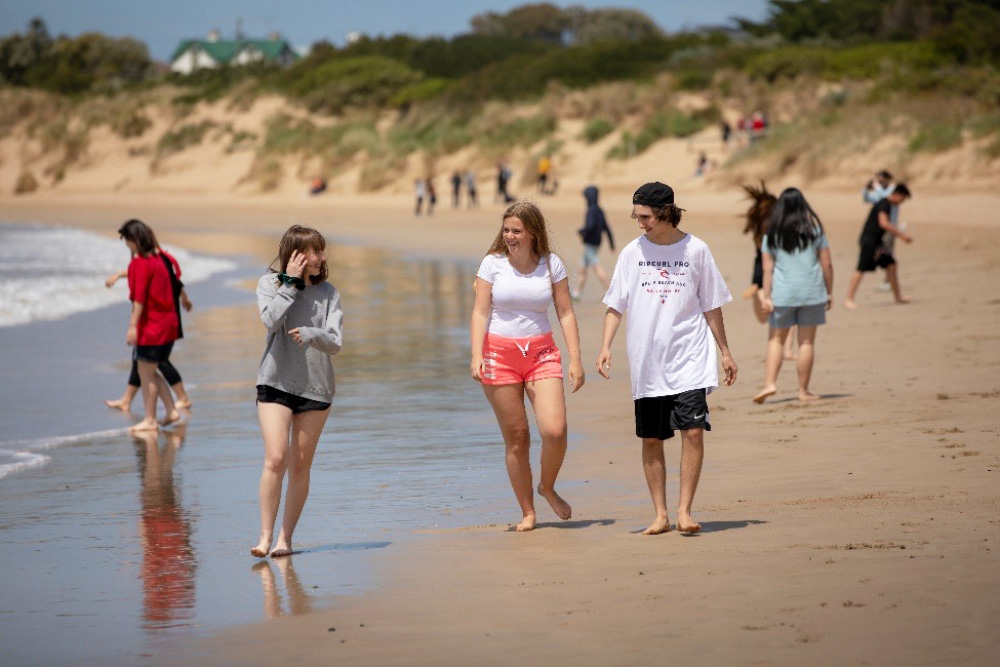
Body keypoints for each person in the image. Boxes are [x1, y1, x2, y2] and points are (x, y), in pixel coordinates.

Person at [597, 182, 737, 535]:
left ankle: (684, 511)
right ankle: (660, 514)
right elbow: (616, 305)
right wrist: (605, 347)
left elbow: (712, 305)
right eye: (636, 215)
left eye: (644, 216)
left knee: (692, 431)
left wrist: (725, 352)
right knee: (652, 438)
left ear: (664, 213)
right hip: (647, 360)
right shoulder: (632, 253)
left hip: (690, 356)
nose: (639, 222)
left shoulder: (697, 250)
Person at [470, 200, 584, 532]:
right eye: (506, 230)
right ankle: (528, 511)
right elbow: (480, 312)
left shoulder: (551, 265)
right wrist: (476, 354)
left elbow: (565, 312)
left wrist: (575, 358)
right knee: (517, 437)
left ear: (533, 232)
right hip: (499, 355)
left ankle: (547, 485)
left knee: (555, 431)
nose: (510, 236)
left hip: (541, 354)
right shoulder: (492, 264)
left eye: (516, 231)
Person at [251, 225, 343, 558]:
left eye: (321, 250)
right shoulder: (269, 284)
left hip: (316, 389)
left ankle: (284, 540)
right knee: (276, 458)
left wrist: (310, 332)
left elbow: (335, 343)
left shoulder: (329, 292)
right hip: (274, 381)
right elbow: (270, 322)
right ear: (295, 255)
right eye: (314, 251)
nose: (321, 257)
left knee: (300, 467)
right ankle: (264, 537)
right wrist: (289, 284)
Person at [752, 188, 834, 404]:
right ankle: (803, 391)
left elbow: (767, 269)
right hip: (812, 291)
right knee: (806, 342)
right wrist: (829, 291)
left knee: (776, 340)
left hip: (783, 293)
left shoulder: (772, 235)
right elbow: (827, 264)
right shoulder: (815, 230)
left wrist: (767, 297)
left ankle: (769, 383)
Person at [105, 246, 193, 412]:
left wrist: (117, 276)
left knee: (157, 362)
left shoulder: (156, 262)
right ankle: (126, 399)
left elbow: (164, 281)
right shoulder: (162, 261)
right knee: (140, 360)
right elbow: (177, 283)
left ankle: (182, 398)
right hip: (166, 321)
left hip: (161, 323)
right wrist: (185, 300)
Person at [117, 219, 182, 433]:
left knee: (146, 374)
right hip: (169, 325)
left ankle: (150, 419)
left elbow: (139, 299)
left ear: (134, 240)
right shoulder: (159, 260)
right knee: (151, 372)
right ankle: (171, 410)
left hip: (152, 327)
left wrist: (132, 326)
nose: (127, 245)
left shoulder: (140, 264)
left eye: (127, 241)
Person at [741, 182, 796, 360]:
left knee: (769, 313)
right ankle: (787, 349)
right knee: (786, 309)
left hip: (762, 269)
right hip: (776, 267)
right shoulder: (779, 222)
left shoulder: (760, 224)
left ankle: (759, 293)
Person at [844, 184, 913, 309]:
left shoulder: (887, 204)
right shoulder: (884, 203)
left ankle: (898, 296)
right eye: (902, 200)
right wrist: (901, 235)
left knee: (891, 265)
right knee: (860, 269)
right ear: (898, 195)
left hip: (878, 243)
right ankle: (849, 299)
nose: (901, 203)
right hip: (869, 241)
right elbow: (884, 223)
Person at [572, 185, 615, 300]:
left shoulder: (591, 210)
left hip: (590, 244)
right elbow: (607, 228)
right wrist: (612, 244)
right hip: (596, 243)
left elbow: (590, 227)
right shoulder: (600, 210)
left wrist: (581, 231)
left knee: (596, 267)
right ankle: (576, 293)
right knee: (582, 268)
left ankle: (609, 292)